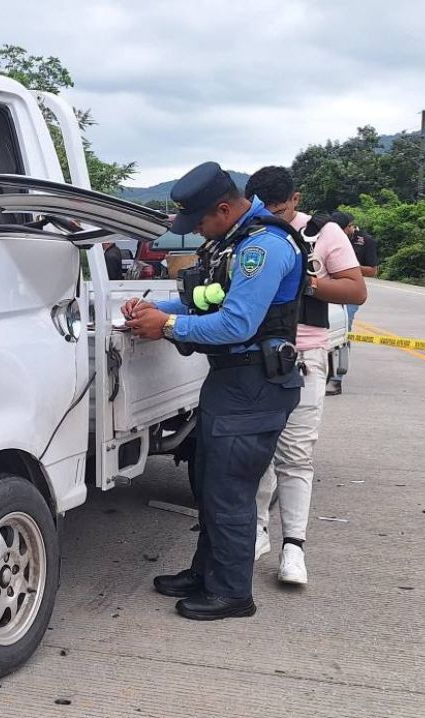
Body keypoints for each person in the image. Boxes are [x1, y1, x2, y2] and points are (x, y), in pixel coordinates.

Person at [122, 162, 303, 621]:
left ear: (223, 208)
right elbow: (202, 297)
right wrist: (153, 308)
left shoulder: (264, 247)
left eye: (200, 222)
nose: (197, 232)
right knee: (210, 483)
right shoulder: (232, 240)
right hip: (231, 381)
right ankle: (207, 573)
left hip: (254, 385)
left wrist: (164, 326)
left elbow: (237, 322)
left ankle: (232, 593)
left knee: (230, 491)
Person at [244, 167, 367, 585]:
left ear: (295, 199)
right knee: (256, 452)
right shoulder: (250, 233)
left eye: (281, 209)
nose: (275, 218)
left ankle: (293, 548)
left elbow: (355, 290)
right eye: (266, 210)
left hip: (304, 354)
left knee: (295, 455)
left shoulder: (323, 233)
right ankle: (256, 533)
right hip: (253, 354)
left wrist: (306, 282)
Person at [325, 210, 376, 395]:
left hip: (349, 292)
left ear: (349, 227)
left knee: (342, 330)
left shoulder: (365, 241)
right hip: (327, 288)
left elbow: (372, 270)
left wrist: (347, 266)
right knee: (324, 329)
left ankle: (336, 379)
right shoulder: (324, 237)